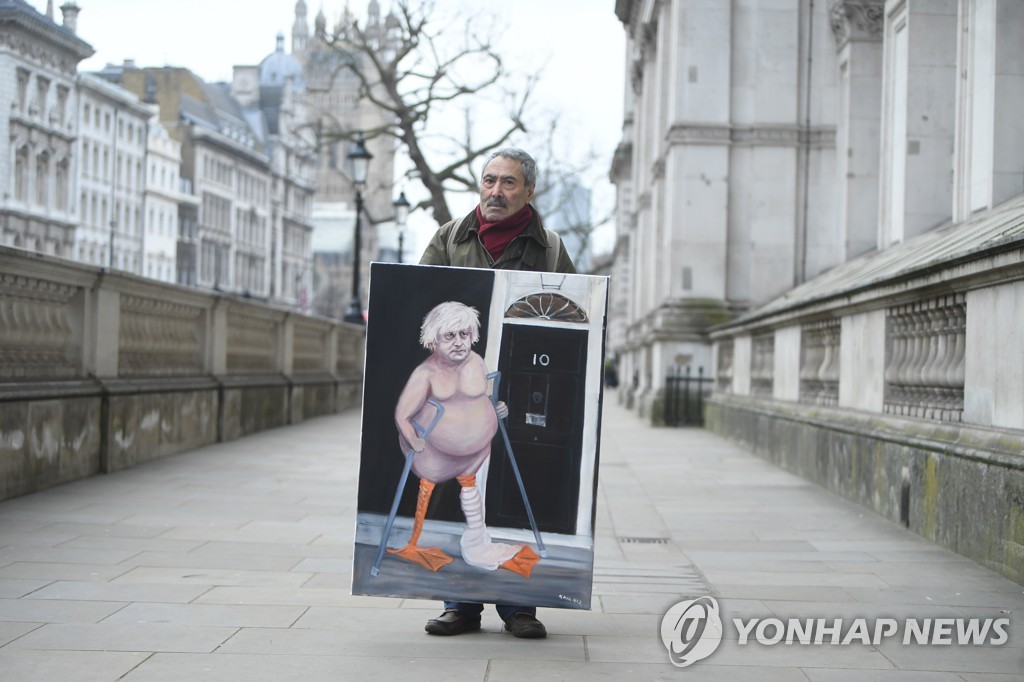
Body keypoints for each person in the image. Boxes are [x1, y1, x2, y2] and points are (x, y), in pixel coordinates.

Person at [417, 147, 576, 639]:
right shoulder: (448, 238)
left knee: (511, 482)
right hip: (460, 388)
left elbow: (573, 315)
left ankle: (519, 606)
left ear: (528, 190)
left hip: (523, 385)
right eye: (489, 181)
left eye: (508, 183)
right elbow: (421, 300)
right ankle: (459, 603)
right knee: (458, 488)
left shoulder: (549, 247)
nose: (496, 192)